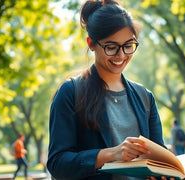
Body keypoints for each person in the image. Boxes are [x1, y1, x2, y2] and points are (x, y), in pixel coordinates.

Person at [47, 1, 170, 179]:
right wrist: (112, 154)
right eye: (111, 47)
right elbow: (58, 163)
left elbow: (158, 158)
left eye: (128, 45)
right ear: (91, 44)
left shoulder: (145, 97)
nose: (121, 55)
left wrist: (168, 173)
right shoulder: (70, 92)